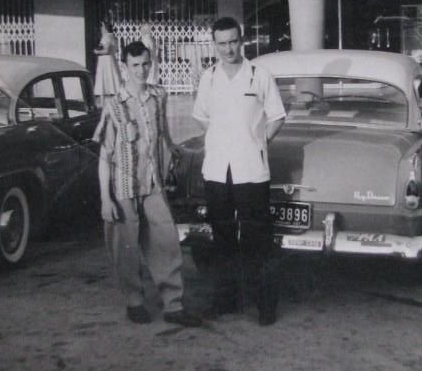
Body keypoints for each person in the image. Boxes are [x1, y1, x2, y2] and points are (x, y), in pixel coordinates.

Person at [97, 41, 199, 327]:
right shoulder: (114, 107)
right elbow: (105, 156)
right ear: (124, 67)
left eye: (145, 64)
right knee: (126, 249)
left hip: (152, 184)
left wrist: (170, 145)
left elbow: (162, 130)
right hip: (123, 189)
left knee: (166, 241)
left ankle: (173, 304)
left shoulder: (158, 96)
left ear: (150, 63)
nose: (141, 70)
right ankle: (134, 301)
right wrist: (106, 199)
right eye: (134, 65)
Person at [193, 17, 287, 325]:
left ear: (242, 40)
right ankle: (226, 300)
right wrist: (223, 139)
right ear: (215, 45)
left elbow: (276, 116)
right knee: (222, 239)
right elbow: (202, 117)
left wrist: (258, 141)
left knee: (257, 239)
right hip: (218, 171)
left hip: (251, 169)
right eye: (222, 43)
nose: (228, 48)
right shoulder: (208, 78)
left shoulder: (259, 76)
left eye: (233, 41)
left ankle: (265, 306)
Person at [93, 20, 122, 104]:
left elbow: (106, 50)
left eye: (102, 26)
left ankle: (102, 102)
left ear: (105, 27)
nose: (101, 28)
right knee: (113, 79)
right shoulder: (113, 36)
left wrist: (97, 52)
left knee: (103, 80)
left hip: (105, 61)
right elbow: (115, 49)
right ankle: (117, 100)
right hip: (111, 60)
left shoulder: (106, 37)